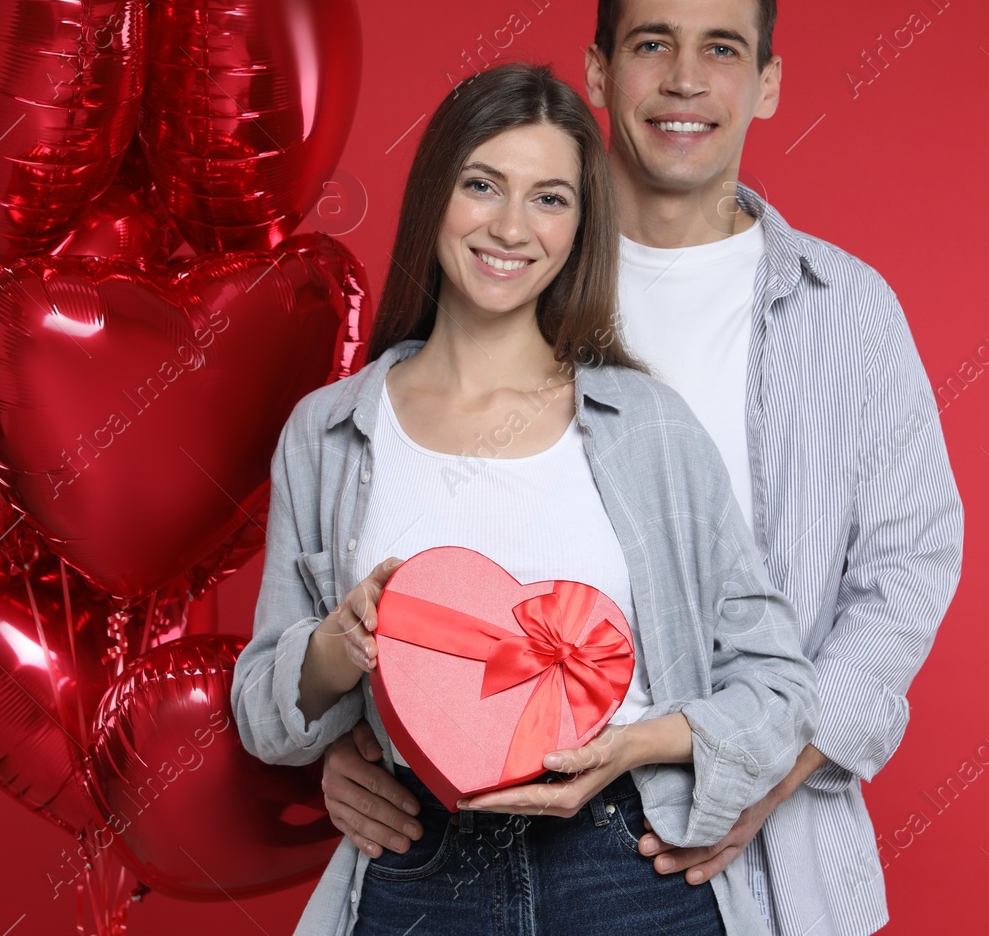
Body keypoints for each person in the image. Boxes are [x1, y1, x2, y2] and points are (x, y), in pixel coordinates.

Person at [317, 0, 966, 936]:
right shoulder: (506, 269)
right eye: (651, 44)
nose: (684, 80)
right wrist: (342, 740)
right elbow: (384, 543)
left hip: (754, 835)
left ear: (768, 84)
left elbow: (908, 565)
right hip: (461, 832)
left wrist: (757, 768)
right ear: (596, 73)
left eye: (721, 50)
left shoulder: (846, 312)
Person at [231, 61, 819, 935]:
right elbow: (261, 715)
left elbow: (779, 683)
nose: (511, 227)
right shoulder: (328, 432)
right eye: (482, 185)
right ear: (435, 193)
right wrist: (336, 645)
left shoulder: (648, 426)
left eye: (550, 198)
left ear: (581, 225)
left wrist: (636, 744)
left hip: (625, 861)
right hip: (415, 860)